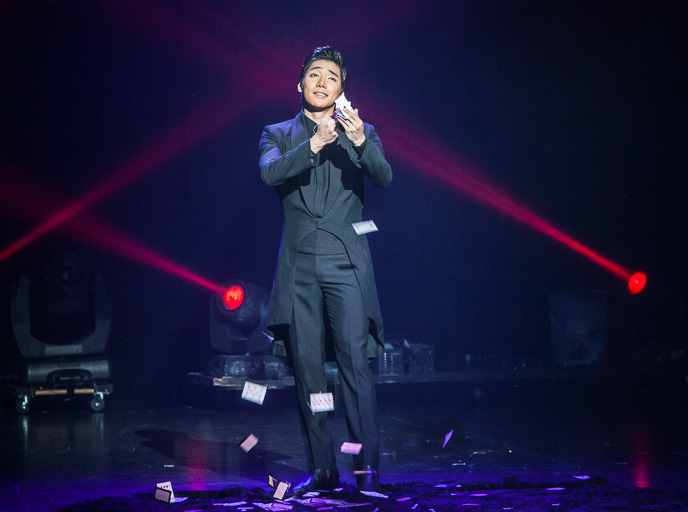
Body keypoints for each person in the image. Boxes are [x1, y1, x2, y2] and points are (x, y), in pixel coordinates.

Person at [259, 46, 392, 494]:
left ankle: (367, 471)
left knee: (355, 366)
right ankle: (322, 470)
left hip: (346, 263)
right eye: (314, 74)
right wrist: (313, 143)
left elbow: (385, 177)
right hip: (299, 268)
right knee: (310, 373)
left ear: (341, 90)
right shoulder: (277, 133)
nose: (322, 82)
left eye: (331, 77)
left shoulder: (361, 131)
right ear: (299, 84)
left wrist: (359, 142)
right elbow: (270, 174)